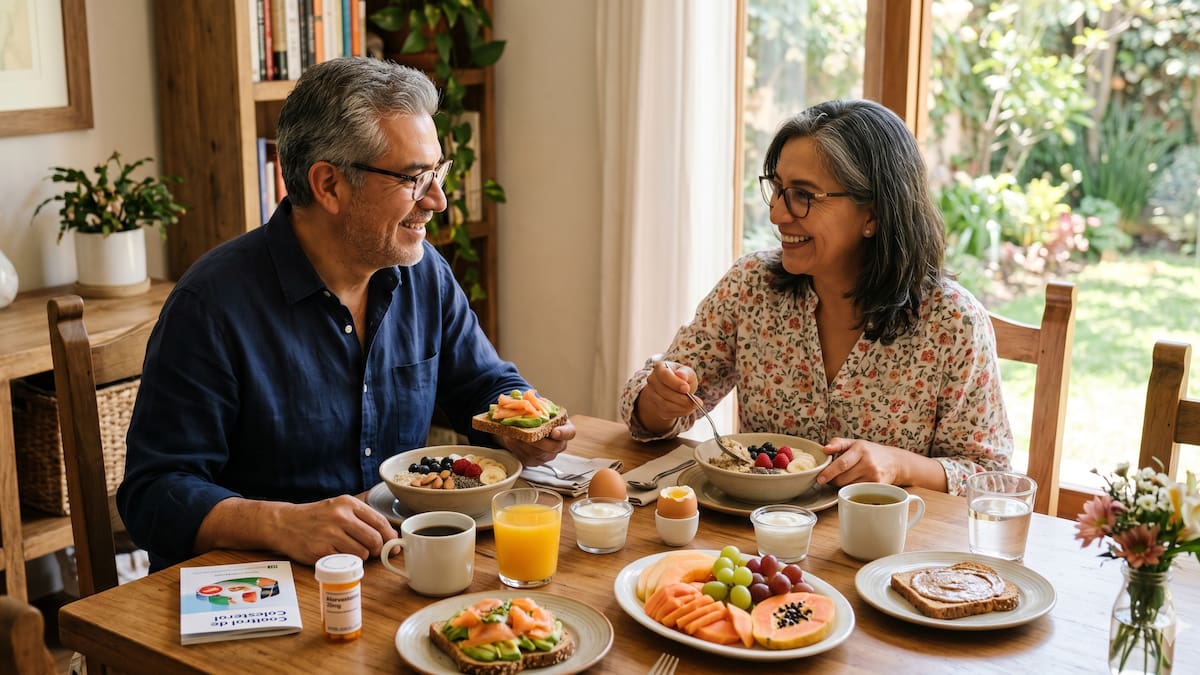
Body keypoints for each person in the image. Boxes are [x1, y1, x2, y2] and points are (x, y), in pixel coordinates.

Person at [117, 57, 574, 571]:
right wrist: (283, 523)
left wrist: (517, 427)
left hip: (391, 565)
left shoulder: (424, 274)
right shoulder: (212, 306)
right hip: (263, 587)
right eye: (414, 178)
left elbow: (484, 385)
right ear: (329, 185)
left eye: (437, 173)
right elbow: (153, 495)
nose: (439, 201)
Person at [619, 99, 1011, 496]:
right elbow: (644, 411)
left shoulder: (953, 323)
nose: (776, 213)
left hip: (888, 549)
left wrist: (899, 465)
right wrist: (659, 399)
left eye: (802, 195)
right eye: (777, 188)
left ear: (873, 214)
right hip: (760, 538)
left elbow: (991, 480)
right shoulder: (750, 285)